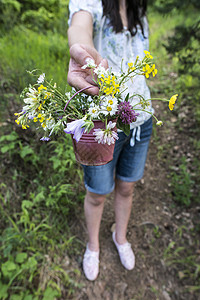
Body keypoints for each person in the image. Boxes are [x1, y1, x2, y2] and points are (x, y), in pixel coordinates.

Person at [67, 0, 153, 281]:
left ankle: (120, 236)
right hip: (104, 125)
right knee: (97, 193)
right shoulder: (92, 3)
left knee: (127, 188)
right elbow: (81, 25)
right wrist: (81, 53)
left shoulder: (139, 10)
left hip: (141, 121)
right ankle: (93, 246)